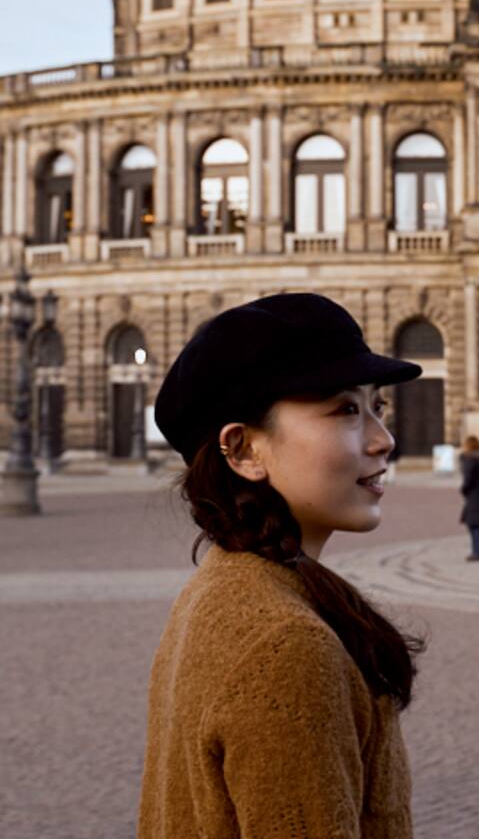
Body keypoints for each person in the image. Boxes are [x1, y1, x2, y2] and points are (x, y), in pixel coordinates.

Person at [138, 293, 424, 839]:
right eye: (345, 408)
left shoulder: (218, 590)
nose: (383, 439)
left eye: (376, 407)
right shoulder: (288, 646)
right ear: (243, 450)